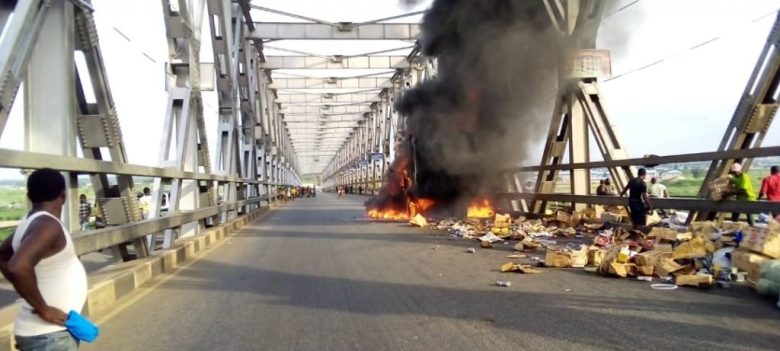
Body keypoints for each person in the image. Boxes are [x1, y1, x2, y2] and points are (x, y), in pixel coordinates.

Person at [0, 168, 88, 350]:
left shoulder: (30, 222)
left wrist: (28, 292)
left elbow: (3, 256)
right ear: (63, 195)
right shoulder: (48, 225)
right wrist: (44, 309)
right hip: (49, 336)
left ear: (29, 196)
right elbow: (17, 267)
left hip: (46, 334)